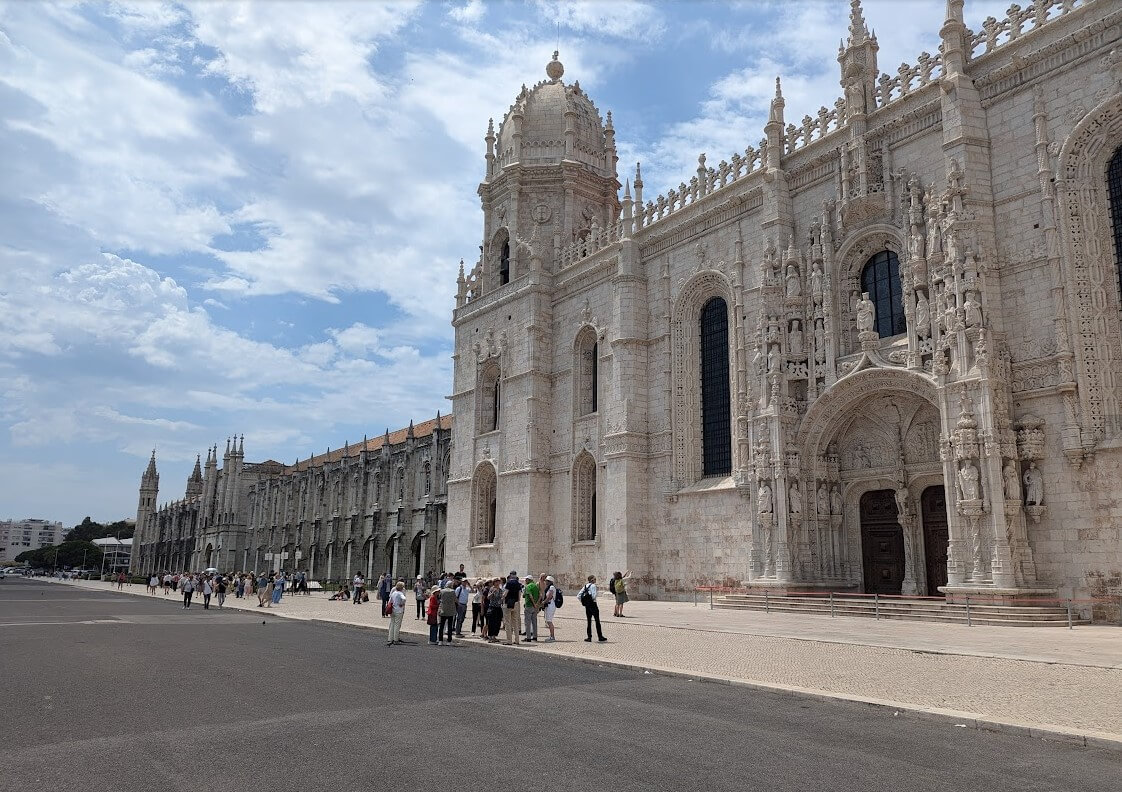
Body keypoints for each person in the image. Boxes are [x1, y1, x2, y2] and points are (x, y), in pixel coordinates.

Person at [579, 575, 607, 642]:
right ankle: (600, 637)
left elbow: (579, 595)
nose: (595, 580)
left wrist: (584, 602)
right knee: (597, 621)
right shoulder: (593, 586)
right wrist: (591, 600)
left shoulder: (585, 586)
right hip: (593, 605)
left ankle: (589, 637)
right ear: (592, 580)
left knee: (589, 621)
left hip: (587, 606)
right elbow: (594, 596)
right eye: (594, 579)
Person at [502, 571, 524, 645]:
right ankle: (517, 640)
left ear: (510, 575)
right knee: (515, 622)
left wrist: (502, 598)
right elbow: (519, 594)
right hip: (516, 603)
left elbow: (505, 593)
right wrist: (517, 601)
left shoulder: (509, 583)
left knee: (508, 622)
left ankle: (509, 640)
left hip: (508, 603)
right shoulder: (518, 584)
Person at [387, 581, 408, 646]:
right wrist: (401, 603)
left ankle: (390, 638)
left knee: (392, 624)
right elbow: (404, 599)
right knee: (397, 625)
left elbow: (390, 601)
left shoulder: (394, 593)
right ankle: (396, 639)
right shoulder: (400, 593)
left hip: (393, 610)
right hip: (398, 610)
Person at [437, 580, 458, 645]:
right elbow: (455, 600)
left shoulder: (442, 591)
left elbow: (439, 598)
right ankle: (449, 641)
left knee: (442, 626)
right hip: (451, 610)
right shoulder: (453, 591)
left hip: (443, 609)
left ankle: (440, 640)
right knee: (449, 626)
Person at [523, 574, 541, 643]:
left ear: (528, 580)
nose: (525, 581)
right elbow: (540, 595)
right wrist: (537, 604)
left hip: (529, 606)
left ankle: (528, 638)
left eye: (526, 579)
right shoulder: (536, 586)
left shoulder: (527, 587)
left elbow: (530, 596)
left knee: (527, 622)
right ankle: (535, 637)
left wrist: (534, 603)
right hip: (535, 607)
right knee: (534, 622)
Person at [485, 578, 504, 643]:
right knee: (491, 622)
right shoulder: (492, 589)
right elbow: (488, 597)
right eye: (496, 582)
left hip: (498, 607)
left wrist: (502, 599)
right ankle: (490, 636)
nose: (498, 583)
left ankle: (494, 635)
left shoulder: (501, 590)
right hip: (492, 607)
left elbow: (502, 598)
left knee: (498, 622)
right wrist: (493, 593)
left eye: (498, 582)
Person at [540, 575, 557, 642]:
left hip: (550, 605)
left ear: (549, 581)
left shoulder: (552, 587)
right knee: (548, 621)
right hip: (549, 605)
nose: (545, 582)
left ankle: (552, 636)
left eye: (546, 581)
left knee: (549, 621)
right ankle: (551, 635)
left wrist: (543, 602)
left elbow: (549, 597)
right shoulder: (549, 587)